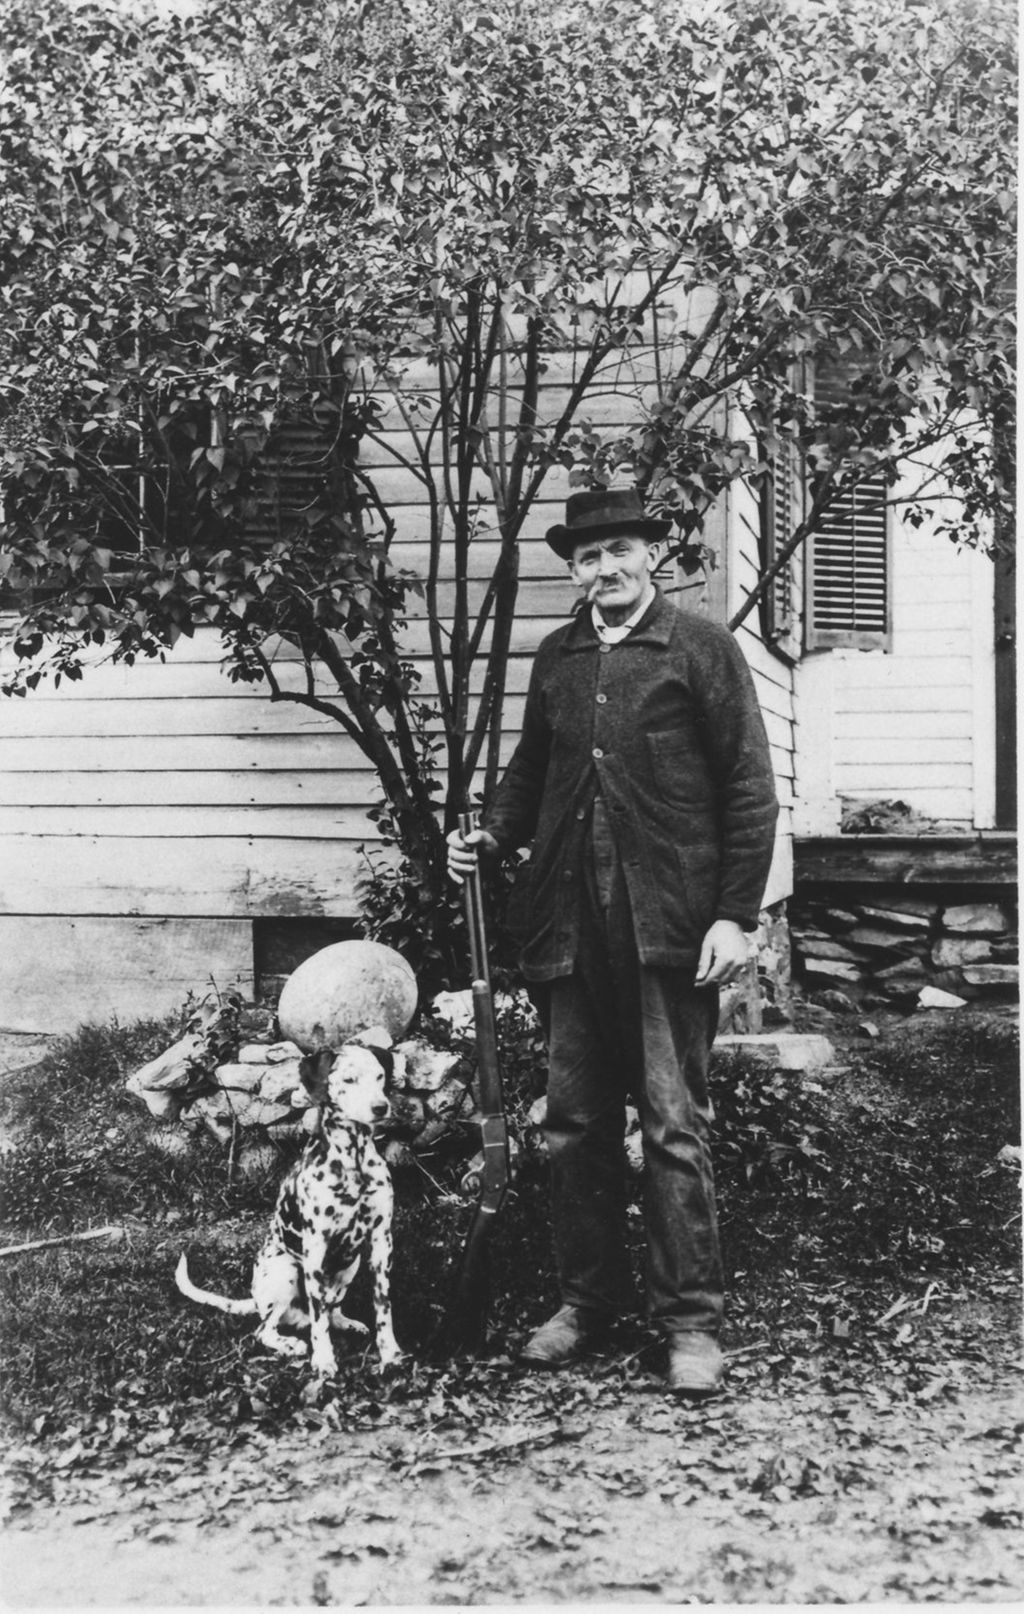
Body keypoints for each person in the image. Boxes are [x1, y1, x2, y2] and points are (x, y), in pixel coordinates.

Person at [447, 487, 779, 1395]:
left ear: (653, 556)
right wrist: (488, 835)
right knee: (572, 1127)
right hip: (568, 926)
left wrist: (732, 915)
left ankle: (690, 1324)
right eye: (588, 557)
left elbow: (750, 790)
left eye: (621, 550)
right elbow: (528, 775)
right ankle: (585, 1305)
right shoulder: (556, 659)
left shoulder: (701, 649)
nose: (606, 569)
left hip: (669, 927)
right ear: (575, 569)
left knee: (674, 1126)